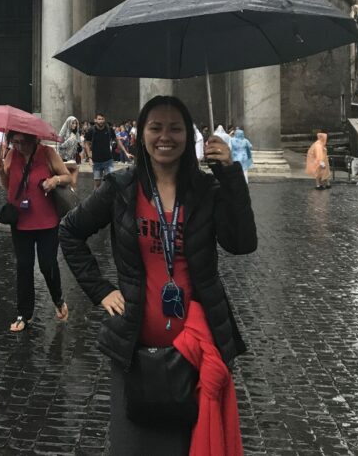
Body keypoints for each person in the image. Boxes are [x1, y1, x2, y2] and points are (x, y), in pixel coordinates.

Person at [59, 95, 257, 454]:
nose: (165, 136)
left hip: (195, 345)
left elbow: (242, 243)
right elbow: (70, 231)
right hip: (134, 347)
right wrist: (101, 290)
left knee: (190, 445)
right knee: (134, 444)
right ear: (141, 134)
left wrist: (229, 174)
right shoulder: (121, 188)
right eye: (156, 127)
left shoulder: (206, 190)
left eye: (175, 128)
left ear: (189, 135)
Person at [0, 130, 72, 332]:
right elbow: (6, 186)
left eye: (22, 142)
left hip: (47, 221)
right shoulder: (11, 154)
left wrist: (54, 181)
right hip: (20, 221)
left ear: (33, 139)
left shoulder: (47, 153)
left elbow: (67, 177)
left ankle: (58, 299)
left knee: (47, 265)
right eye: (15, 142)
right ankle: (23, 314)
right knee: (24, 267)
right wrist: (0, 171)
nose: (19, 146)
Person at [84, 113, 127, 188]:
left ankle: (109, 199)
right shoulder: (91, 130)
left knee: (110, 182)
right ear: (95, 120)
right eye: (99, 119)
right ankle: (97, 199)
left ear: (104, 120)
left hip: (108, 160)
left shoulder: (109, 129)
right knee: (97, 184)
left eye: (102, 119)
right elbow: (86, 144)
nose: (101, 121)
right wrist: (89, 157)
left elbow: (117, 140)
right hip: (96, 161)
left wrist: (126, 152)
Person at [57, 115, 82, 191]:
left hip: (74, 160)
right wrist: (70, 140)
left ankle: (74, 200)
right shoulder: (63, 135)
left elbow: (79, 148)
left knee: (74, 182)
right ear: (68, 123)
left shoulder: (76, 134)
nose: (74, 125)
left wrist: (78, 145)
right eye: (72, 123)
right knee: (64, 182)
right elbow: (60, 147)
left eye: (75, 123)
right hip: (64, 160)